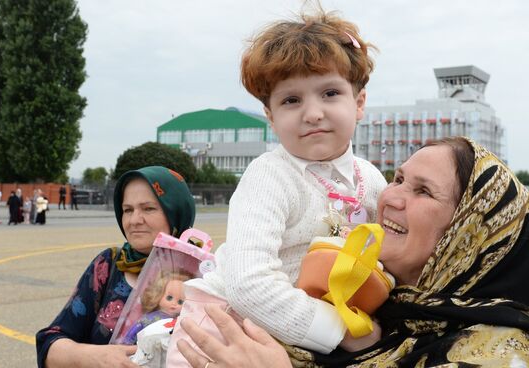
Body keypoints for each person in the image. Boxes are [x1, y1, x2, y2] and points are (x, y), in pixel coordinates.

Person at [176, 137, 529, 367]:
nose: (391, 197)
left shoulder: (499, 350)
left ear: (469, 235)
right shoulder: (374, 308)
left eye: (423, 190)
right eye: (398, 178)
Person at [166, 9, 388, 366]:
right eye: (291, 100)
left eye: (330, 93)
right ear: (270, 116)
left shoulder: (372, 179)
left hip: (301, 334)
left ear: (359, 102)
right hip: (225, 328)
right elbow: (247, 282)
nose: (312, 113)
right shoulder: (270, 175)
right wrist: (343, 331)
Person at [36, 166, 196, 368]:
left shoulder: (201, 276)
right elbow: (50, 344)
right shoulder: (109, 264)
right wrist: (91, 356)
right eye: (127, 210)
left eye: (148, 208)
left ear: (176, 212)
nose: (134, 220)